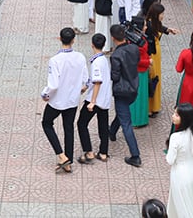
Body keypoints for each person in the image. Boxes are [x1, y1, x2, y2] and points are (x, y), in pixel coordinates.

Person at [41, 27, 89, 173]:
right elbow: (86, 80)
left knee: (47, 123)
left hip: (57, 101)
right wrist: (79, 89)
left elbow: (53, 84)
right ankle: (68, 162)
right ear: (73, 40)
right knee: (69, 128)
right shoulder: (80, 57)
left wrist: (45, 94)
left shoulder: (55, 60)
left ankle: (61, 155)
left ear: (60, 38)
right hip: (72, 100)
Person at [108, 24, 142, 167]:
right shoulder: (134, 49)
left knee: (126, 123)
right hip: (133, 88)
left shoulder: (115, 55)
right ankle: (112, 131)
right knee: (122, 113)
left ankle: (135, 155)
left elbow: (115, 76)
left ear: (113, 38)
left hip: (121, 90)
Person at [166, 103, 193, 218]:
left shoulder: (176, 137)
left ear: (184, 119)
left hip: (180, 175)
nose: (173, 116)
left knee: (183, 208)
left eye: (177, 115)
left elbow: (170, 160)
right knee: (191, 204)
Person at [76, 33, 112, 164]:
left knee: (81, 123)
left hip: (95, 99)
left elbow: (98, 81)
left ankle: (89, 152)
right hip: (105, 98)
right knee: (103, 124)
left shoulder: (96, 62)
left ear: (92, 44)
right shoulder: (103, 59)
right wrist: (86, 87)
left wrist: (92, 102)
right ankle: (103, 152)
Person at [145, 2, 178, 117]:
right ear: (155, 14)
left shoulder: (154, 23)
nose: (163, 15)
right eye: (161, 13)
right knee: (153, 79)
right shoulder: (148, 26)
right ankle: (150, 107)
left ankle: (155, 106)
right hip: (152, 55)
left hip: (157, 53)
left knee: (156, 78)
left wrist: (168, 30)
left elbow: (160, 27)